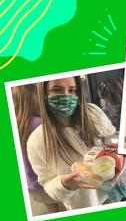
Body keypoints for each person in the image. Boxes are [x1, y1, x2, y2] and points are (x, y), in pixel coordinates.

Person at [27, 76, 116, 210]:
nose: (66, 96)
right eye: (57, 90)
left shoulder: (93, 112)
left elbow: (112, 137)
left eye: (72, 90)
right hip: (84, 206)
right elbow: (47, 183)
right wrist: (63, 185)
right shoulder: (36, 141)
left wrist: (117, 143)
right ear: (44, 94)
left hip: (112, 192)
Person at [13, 84, 67, 214]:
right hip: (47, 180)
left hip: (31, 183)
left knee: (52, 211)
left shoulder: (14, 124)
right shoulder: (40, 123)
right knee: (68, 207)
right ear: (36, 98)